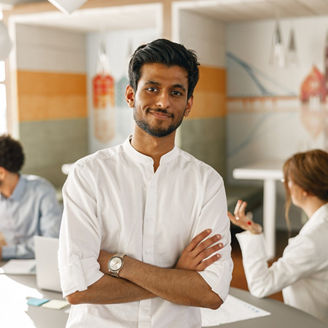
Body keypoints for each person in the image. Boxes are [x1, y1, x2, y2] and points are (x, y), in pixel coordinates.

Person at [58, 38, 233, 328]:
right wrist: (177, 277)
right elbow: (78, 289)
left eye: (176, 92)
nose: (163, 101)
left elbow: (212, 292)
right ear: (130, 95)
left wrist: (120, 264)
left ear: (188, 104)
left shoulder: (206, 182)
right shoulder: (88, 175)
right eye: (152, 89)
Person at [228, 149, 328, 324]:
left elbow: (261, 286)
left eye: (288, 180)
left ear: (305, 190)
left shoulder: (311, 242)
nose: (287, 185)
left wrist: (253, 233)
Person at [0, 134, 62, 260]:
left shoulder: (42, 191)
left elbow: (51, 243)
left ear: (1, 173)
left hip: (41, 266)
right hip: (8, 267)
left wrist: (5, 252)